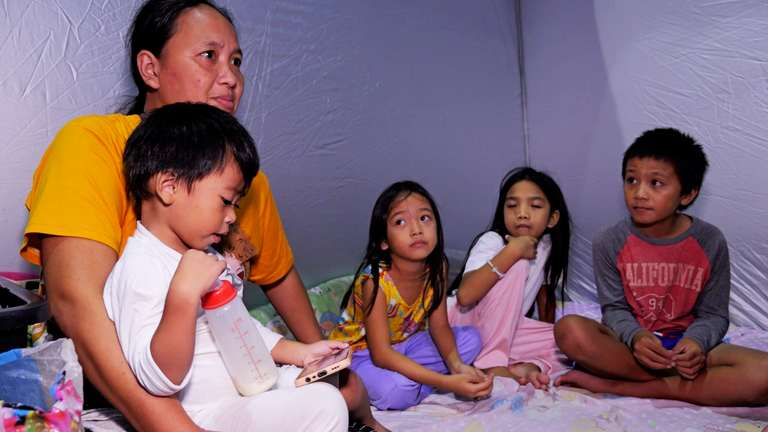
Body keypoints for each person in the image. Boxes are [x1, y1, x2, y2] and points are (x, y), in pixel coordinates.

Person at [20, 1, 341, 430]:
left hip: (232, 379)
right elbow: (76, 303)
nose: (231, 77)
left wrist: (326, 365)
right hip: (125, 389)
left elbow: (277, 277)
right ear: (150, 69)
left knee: (336, 398)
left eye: (237, 61)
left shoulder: (248, 185)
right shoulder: (91, 144)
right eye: (209, 56)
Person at [104, 102, 383, 431]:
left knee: (335, 386)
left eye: (235, 205)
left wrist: (302, 354)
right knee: (325, 404)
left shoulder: (206, 256)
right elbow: (158, 380)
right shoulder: (140, 268)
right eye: (225, 201)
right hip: (204, 414)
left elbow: (240, 327)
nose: (231, 217)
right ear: (169, 187)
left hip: (247, 388)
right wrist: (183, 295)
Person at [553, 128, 768, 406]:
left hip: (685, 347)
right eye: (631, 180)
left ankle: (623, 384)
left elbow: (714, 314)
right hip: (629, 347)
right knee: (569, 329)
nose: (639, 193)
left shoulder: (709, 240)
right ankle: (683, 385)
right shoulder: (609, 239)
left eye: (656, 183)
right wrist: (636, 337)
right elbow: (614, 308)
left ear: (687, 194)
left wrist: (696, 343)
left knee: (764, 374)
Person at [329, 181, 493, 410]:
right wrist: (447, 382)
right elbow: (381, 355)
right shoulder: (375, 281)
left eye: (424, 218)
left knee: (471, 339)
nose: (416, 229)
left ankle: (417, 379)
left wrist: (456, 366)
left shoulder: (437, 268)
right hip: (362, 355)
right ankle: (418, 383)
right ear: (384, 241)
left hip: (407, 345)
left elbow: (439, 327)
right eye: (400, 222)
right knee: (397, 390)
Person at [448, 167, 572, 390]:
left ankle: (523, 366)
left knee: (568, 342)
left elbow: (546, 298)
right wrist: (513, 251)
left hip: (505, 330)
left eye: (535, 206)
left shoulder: (548, 247)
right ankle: (491, 363)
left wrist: (541, 342)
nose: (522, 213)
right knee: (519, 262)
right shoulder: (492, 241)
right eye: (512, 205)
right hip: (463, 325)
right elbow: (465, 296)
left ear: (552, 218)